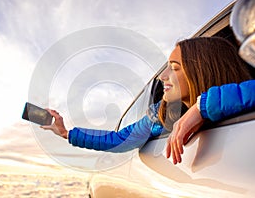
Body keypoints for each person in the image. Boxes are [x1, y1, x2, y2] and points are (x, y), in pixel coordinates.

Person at [41, 37, 254, 163]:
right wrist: (65, 132)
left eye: (174, 68)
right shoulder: (160, 116)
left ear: (204, 71)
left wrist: (203, 107)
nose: (163, 77)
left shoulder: (240, 100)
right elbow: (118, 140)